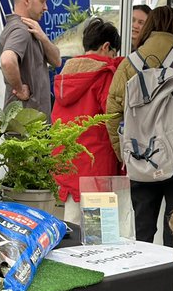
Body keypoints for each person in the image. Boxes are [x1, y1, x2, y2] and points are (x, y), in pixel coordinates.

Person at [105, 5, 173, 246]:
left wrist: (124, 153)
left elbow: (111, 114)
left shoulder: (128, 63)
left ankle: (142, 278)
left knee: (142, 229)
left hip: (141, 155)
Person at [52, 16, 123, 205]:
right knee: (96, 230)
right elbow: (112, 117)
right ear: (106, 47)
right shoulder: (104, 74)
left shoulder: (65, 75)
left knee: (72, 224)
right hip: (97, 164)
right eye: (114, 53)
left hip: (67, 161)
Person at [0, 0, 62, 117]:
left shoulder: (31, 28)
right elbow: (7, 60)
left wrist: (43, 38)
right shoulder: (21, 30)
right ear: (27, 0)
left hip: (31, 126)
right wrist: (20, 89)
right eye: (42, 1)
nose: (46, 8)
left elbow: (57, 61)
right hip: (25, 129)